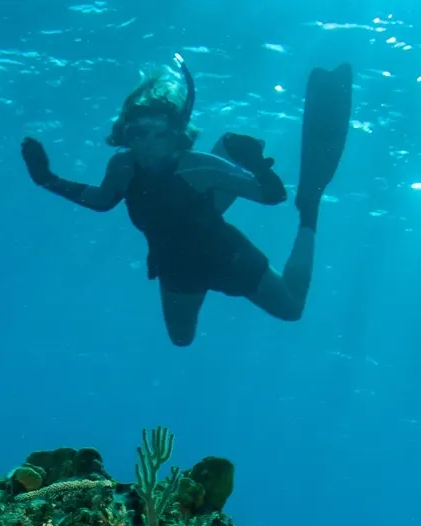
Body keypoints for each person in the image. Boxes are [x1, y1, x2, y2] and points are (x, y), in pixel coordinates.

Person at [21, 60, 353, 346]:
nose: (148, 143)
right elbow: (101, 200)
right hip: (176, 266)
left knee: (291, 310)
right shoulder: (123, 167)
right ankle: (227, 149)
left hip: (227, 254)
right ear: (125, 134)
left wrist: (259, 167)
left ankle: (308, 211)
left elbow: (272, 196)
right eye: (138, 133)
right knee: (181, 340)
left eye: (159, 133)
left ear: (175, 135)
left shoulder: (198, 166)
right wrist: (46, 179)